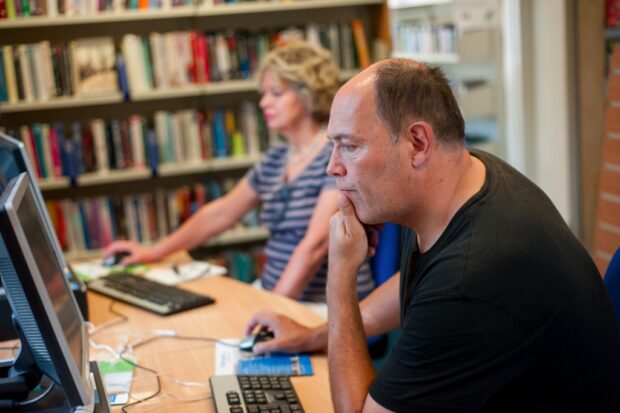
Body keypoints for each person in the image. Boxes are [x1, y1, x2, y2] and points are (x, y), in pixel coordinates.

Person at [245, 58, 620, 412]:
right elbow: (419, 282)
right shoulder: (468, 176)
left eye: (351, 146)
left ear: (418, 144)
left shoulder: (472, 279)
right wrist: (313, 335)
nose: (333, 167)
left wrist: (341, 275)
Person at [104, 40, 375, 303]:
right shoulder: (278, 157)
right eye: (264, 93)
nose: (263, 103)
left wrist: (272, 313)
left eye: (276, 94)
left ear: (308, 95)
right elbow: (221, 213)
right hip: (279, 295)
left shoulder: (334, 157)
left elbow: (314, 247)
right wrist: (152, 252)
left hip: (326, 305)